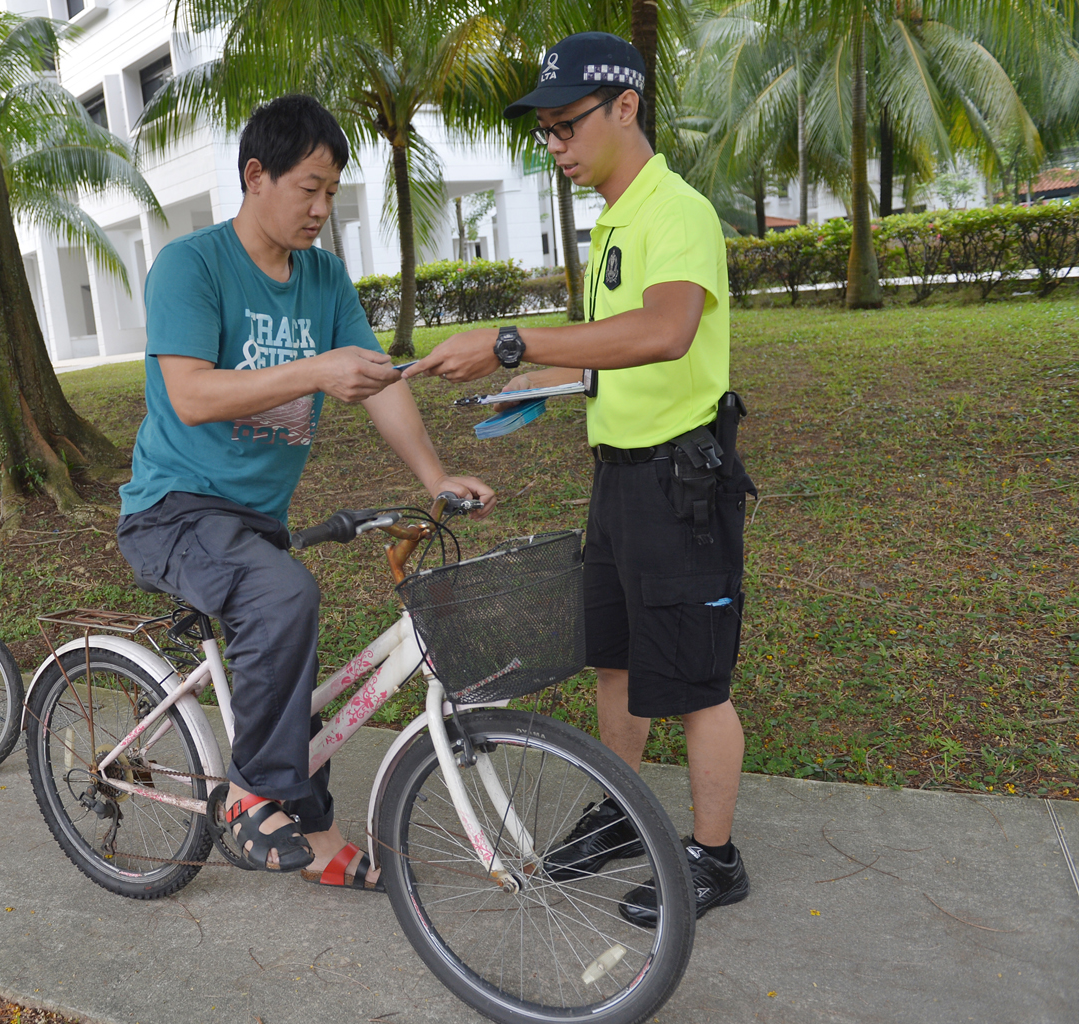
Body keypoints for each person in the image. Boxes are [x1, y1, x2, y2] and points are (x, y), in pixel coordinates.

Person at [407, 32, 757, 925]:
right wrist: (550, 382)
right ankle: (619, 811)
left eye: (566, 125)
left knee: (697, 683)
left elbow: (666, 329)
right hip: (622, 476)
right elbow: (622, 350)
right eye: (546, 133)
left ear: (626, 107)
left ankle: (715, 858)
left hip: (682, 484)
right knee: (614, 657)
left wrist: (514, 341)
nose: (554, 145)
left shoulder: (673, 210)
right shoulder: (614, 218)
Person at [116, 95, 495, 891]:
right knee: (285, 597)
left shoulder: (321, 277)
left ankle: (312, 829)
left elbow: (380, 382)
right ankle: (253, 794)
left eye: (332, 191)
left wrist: (433, 474)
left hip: (253, 520)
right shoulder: (193, 265)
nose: (323, 209)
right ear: (257, 176)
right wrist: (318, 370)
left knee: (294, 639)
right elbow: (190, 394)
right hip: (172, 511)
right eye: (309, 188)